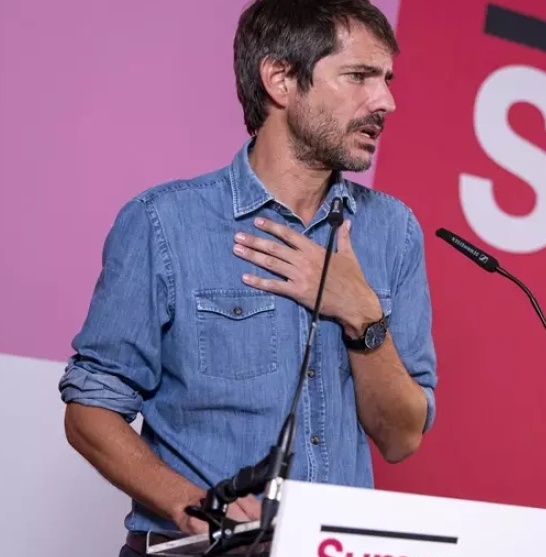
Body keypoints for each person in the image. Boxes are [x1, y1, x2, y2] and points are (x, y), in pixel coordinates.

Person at [58, 1, 437, 555]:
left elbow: (402, 438)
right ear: (280, 79)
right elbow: (90, 410)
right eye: (359, 76)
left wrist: (362, 313)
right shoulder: (164, 223)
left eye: (386, 80)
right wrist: (198, 510)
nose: (385, 101)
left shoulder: (393, 232)